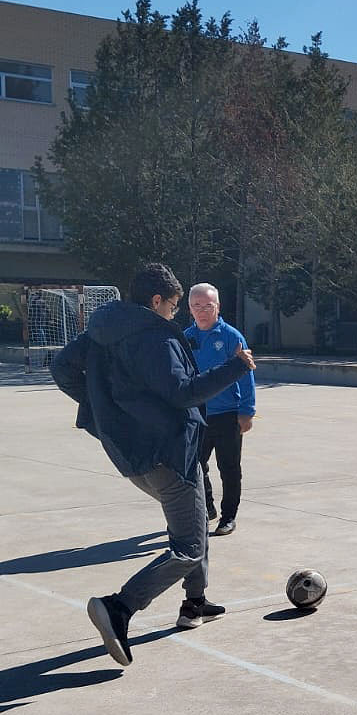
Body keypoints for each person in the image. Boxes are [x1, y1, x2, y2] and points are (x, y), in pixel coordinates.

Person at [50, 263, 256, 667]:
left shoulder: (103, 328)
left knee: (194, 522)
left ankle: (194, 603)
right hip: (168, 452)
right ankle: (119, 607)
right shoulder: (154, 337)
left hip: (136, 452)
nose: (176, 314)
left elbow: (62, 369)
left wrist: (105, 412)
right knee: (189, 547)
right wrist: (237, 367)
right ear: (156, 300)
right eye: (174, 305)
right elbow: (183, 393)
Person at [184, 283, 255, 537]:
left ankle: (228, 517)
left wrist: (247, 411)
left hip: (228, 415)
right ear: (190, 308)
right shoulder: (185, 337)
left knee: (229, 468)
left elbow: (246, 375)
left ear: (218, 307)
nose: (202, 311)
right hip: (197, 415)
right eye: (196, 306)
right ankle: (208, 508)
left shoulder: (231, 337)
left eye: (208, 306)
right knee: (194, 466)